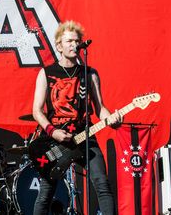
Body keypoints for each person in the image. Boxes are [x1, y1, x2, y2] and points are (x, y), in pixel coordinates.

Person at [32, 20, 122, 215]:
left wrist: (112, 119)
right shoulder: (46, 73)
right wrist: (53, 132)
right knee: (46, 192)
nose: (74, 45)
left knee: (102, 183)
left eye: (76, 41)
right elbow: (37, 110)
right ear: (59, 46)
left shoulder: (89, 74)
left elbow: (100, 109)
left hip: (85, 136)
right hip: (56, 141)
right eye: (69, 41)